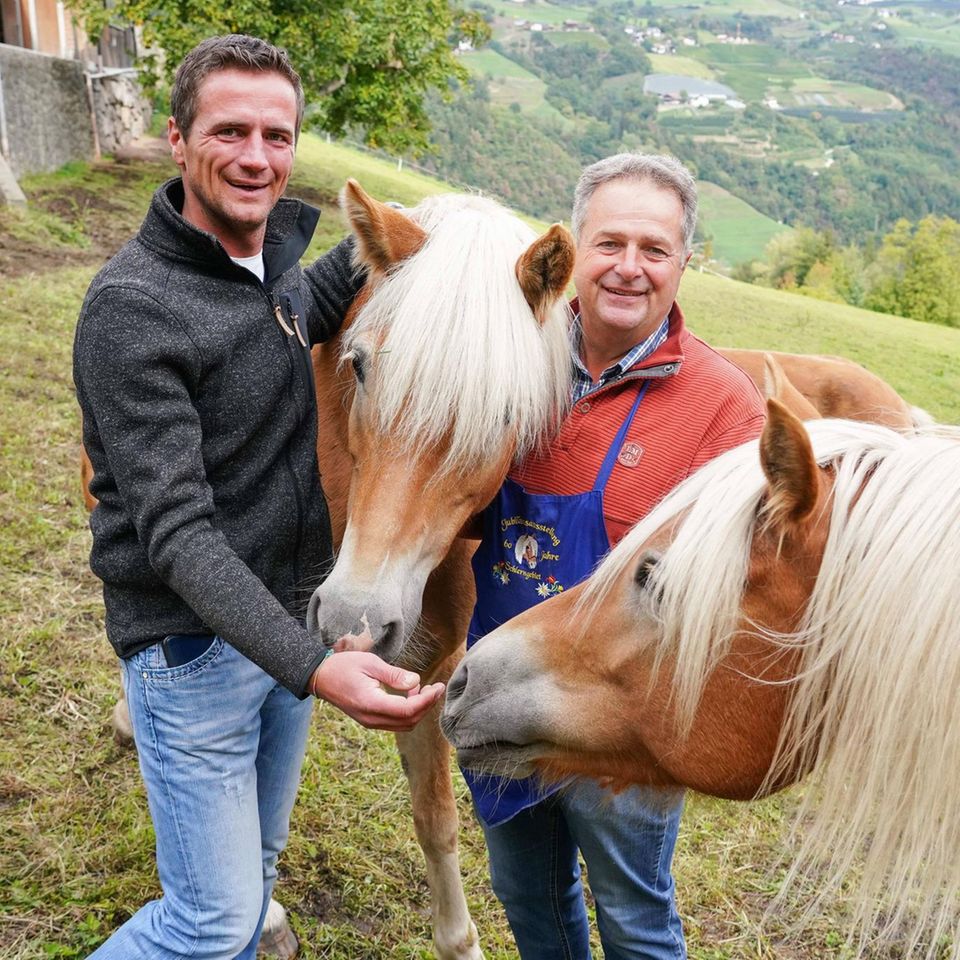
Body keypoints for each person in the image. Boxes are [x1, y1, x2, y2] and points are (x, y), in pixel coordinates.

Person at [73, 35, 443, 960]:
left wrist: (450, 234)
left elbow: (308, 301)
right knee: (208, 923)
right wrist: (315, 667)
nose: (257, 157)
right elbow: (178, 537)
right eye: (229, 130)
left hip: (283, 633)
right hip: (192, 651)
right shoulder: (133, 309)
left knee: (257, 877)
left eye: (277, 135)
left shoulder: (263, 267)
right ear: (175, 139)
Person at [463, 154, 766, 959]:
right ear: (574, 248)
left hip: (622, 720)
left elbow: (731, 599)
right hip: (501, 682)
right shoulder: (510, 362)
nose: (629, 268)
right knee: (526, 893)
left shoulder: (725, 408)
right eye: (609, 243)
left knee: (633, 915)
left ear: (683, 263)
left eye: (655, 249)